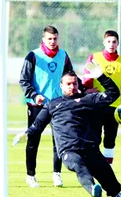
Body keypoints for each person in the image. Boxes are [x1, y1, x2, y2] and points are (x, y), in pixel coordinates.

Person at [13, 68, 121, 197]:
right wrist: (26, 134)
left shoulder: (89, 99)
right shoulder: (52, 105)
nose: (72, 86)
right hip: (69, 150)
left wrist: (102, 77)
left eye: (75, 83)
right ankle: (93, 190)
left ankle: (115, 193)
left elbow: (113, 93)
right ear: (61, 85)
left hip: (91, 149)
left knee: (112, 184)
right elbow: (38, 126)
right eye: (68, 84)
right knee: (79, 165)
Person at [19, 25, 79, 188]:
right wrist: (34, 95)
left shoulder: (63, 55)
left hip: (59, 105)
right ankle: (31, 175)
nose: (52, 42)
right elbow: (23, 80)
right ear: (43, 40)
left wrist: (80, 89)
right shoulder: (33, 56)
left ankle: (56, 174)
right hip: (37, 105)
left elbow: (71, 76)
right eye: (49, 39)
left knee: (59, 141)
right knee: (33, 140)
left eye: (55, 39)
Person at [83, 30, 121, 165]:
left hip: (114, 107)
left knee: (110, 139)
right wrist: (86, 90)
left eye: (114, 42)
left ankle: (108, 169)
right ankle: (95, 166)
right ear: (104, 42)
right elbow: (86, 76)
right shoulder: (94, 57)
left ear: (118, 43)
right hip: (96, 104)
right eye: (108, 41)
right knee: (94, 138)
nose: (111, 44)